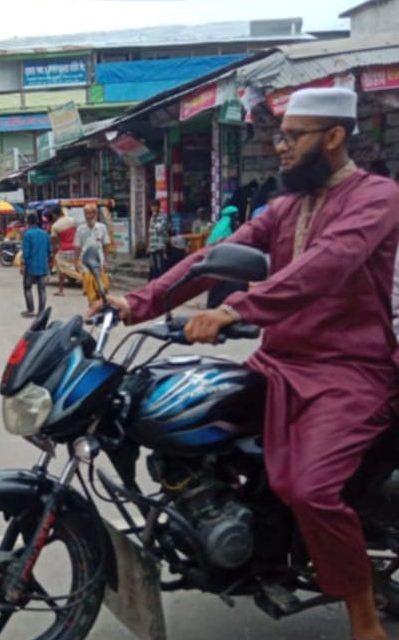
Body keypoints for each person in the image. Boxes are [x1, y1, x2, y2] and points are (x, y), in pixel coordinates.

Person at [97, 87, 399, 640]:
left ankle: (365, 620)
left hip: (348, 372)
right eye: (279, 136)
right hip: (279, 362)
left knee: (310, 489)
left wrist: (237, 308)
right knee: (187, 418)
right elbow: (213, 259)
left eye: (292, 136)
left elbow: (326, 267)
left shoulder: (377, 197)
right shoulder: (284, 207)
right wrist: (134, 304)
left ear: (333, 138)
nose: (280, 148)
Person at [76, 204, 111, 304]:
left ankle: (104, 308)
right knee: (91, 294)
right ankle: (93, 309)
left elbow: (106, 246)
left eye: (89, 213)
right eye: (85, 214)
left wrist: (106, 261)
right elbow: (77, 247)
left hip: (99, 264)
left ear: (95, 214)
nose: (87, 216)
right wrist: (76, 261)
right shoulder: (80, 229)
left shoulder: (102, 227)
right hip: (86, 265)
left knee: (103, 290)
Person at [20, 213, 51, 317]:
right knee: (42, 289)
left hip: (30, 266)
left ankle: (30, 310)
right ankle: (41, 312)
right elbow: (49, 250)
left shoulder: (27, 234)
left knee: (27, 287)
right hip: (43, 266)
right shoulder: (45, 234)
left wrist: (23, 264)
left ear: (28, 222)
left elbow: (26, 252)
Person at [49, 206, 78, 297]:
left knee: (61, 270)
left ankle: (61, 290)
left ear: (55, 215)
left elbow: (54, 242)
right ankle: (86, 288)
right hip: (75, 249)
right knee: (80, 268)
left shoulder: (55, 226)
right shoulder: (72, 220)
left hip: (63, 250)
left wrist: (54, 255)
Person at [147, 200, 170, 280]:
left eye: (154, 206)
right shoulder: (152, 218)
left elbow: (159, 229)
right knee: (153, 267)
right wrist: (148, 246)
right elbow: (150, 232)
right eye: (152, 207)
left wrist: (156, 218)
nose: (153, 208)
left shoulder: (163, 216)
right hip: (152, 246)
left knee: (160, 266)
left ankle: (162, 282)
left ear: (158, 207)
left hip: (160, 245)